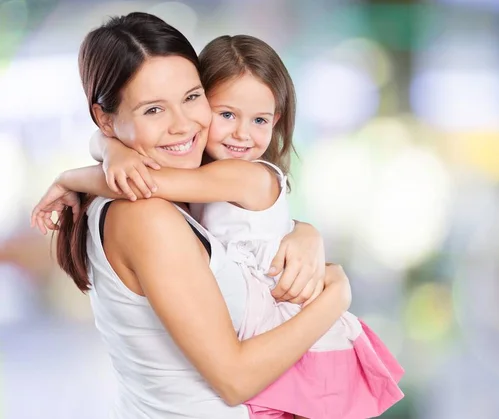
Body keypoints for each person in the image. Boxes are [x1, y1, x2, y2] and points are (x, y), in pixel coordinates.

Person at [33, 29, 404, 418]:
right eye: (153, 109)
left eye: (191, 99)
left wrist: (303, 232)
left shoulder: (183, 194)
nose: (182, 125)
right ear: (105, 118)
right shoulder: (144, 212)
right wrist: (336, 295)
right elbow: (235, 380)